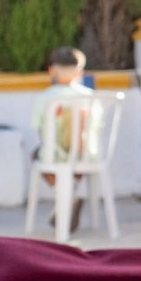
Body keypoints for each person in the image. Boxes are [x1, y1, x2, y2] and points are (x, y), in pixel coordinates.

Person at [31, 47, 95, 232]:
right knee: (77, 155)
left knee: (38, 154)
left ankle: (64, 195)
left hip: (56, 156)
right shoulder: (90, 96)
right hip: (86, 156)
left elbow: (40, 130)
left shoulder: (44, 98)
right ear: (79, 72)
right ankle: (72, 190)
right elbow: (96, 126)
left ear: (51, 70)